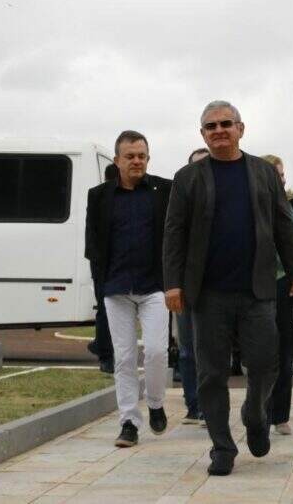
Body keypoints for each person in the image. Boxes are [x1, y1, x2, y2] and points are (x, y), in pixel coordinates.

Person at [163, 100, 293, 476]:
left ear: (241, 128)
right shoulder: (187, 177)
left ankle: (255, 416)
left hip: (257, 290)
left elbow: (282, 226)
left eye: (226, 123)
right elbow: (174, 234)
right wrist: (173, 284)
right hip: (207, 295)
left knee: (264, 366)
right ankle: (222, 447)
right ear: (202, 135)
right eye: (211, 126)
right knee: (211, 374)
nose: (219, 130)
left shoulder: (262, 172)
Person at [85, 131, 172, 448]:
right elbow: (93, 246)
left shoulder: (165, 190)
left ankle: (156, 402)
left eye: (142, 156)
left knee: (157, 351)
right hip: (116, 288)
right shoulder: (99, 196)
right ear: (118, 160)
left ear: (148, 158)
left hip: (155, 288)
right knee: (123, 359)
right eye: (130, 156)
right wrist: (100, 290)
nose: (137, 161)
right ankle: (129, 423)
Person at [261, 155, 293, 435]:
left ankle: (280, 415)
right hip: (256, 284)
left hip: (286, 283)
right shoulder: (251, 202)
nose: (279, 179)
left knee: (284, 350)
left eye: (281, 174)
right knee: (260, 352)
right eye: (273, 174)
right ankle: (259, 410)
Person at [173, 148, 210, 425]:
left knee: (213, 348)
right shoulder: (179, 203)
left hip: (219, 287)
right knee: (187, 348)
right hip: (186, 287)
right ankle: (193, 404)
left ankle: (212, 404)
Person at [85, 162, 120, 375]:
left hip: (102, 264)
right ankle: (105, 352)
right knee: (107, 311)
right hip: (109, 263)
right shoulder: (100, 196)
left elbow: (91, 233)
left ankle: (105, 355)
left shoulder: (98, 197)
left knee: (104, 310)